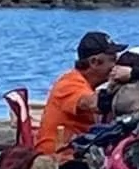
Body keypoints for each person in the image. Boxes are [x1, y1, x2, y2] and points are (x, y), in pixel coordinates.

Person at [37, 30, 132, 159]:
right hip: (59, 157)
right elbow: (90, 103)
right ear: (94, 62)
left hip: (77, 151)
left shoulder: (85, 85)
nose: (116, 66)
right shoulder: (69, 83)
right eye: (113, 60)